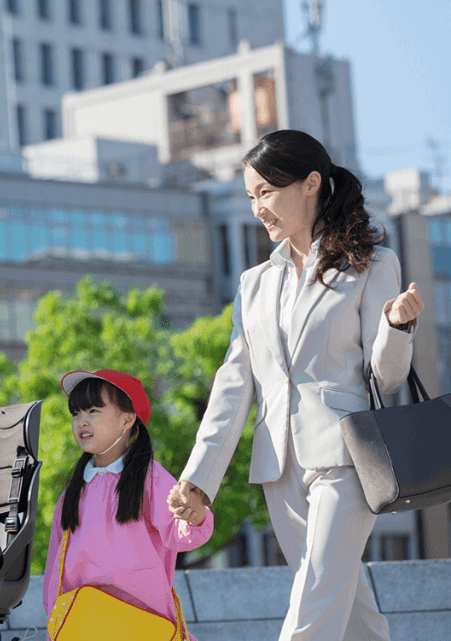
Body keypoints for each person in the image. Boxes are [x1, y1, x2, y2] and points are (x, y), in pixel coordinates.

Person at [167, 130, 424, 641]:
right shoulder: (254, 283)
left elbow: (386, 378)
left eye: (266, 191)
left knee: (314, 599)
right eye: (250, 196)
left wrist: (396, 328)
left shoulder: (371, 263)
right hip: (279, 467)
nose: (258, 208)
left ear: (311, 184)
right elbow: (235, 381)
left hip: (348, 457)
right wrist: (199, 477)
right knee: (349, 609)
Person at [44, 370, 212, 640]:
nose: (81, 422)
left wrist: (195, 516)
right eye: (76, 414)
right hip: (85, 622)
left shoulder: (151, 478)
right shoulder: (74, 489)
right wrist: (54, 614)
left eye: (93, 411)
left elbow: (180, 532)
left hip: (143, 620)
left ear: (127, 419)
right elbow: (56, 562)